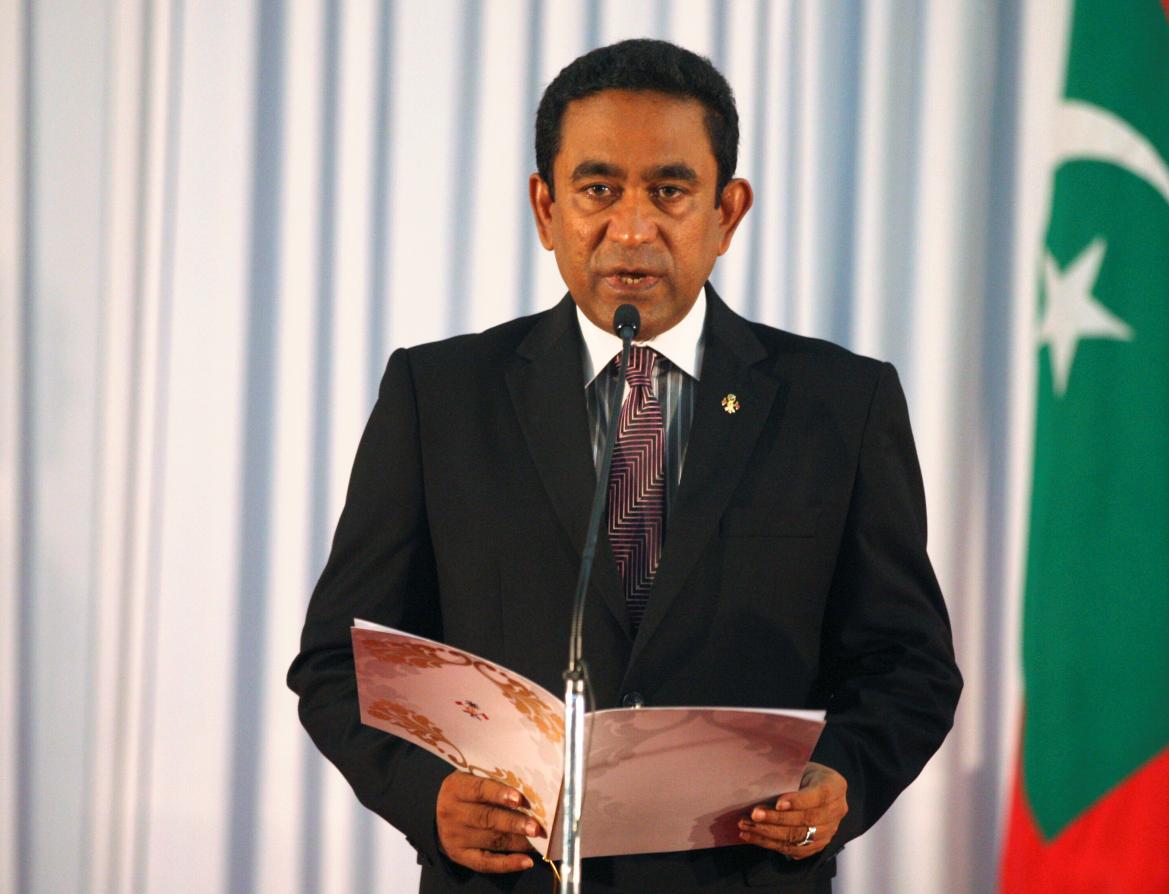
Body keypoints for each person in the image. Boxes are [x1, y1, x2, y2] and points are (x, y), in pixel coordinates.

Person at [288, 38, 961, 894]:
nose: (632, 228)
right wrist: (429, 798)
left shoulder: (840, 404)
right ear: (545, 208)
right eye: (598, 190)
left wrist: (841, 780)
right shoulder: (440, 396)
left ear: (728, 212)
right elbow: (339, 661)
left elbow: (909, 664)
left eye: (670, 191)